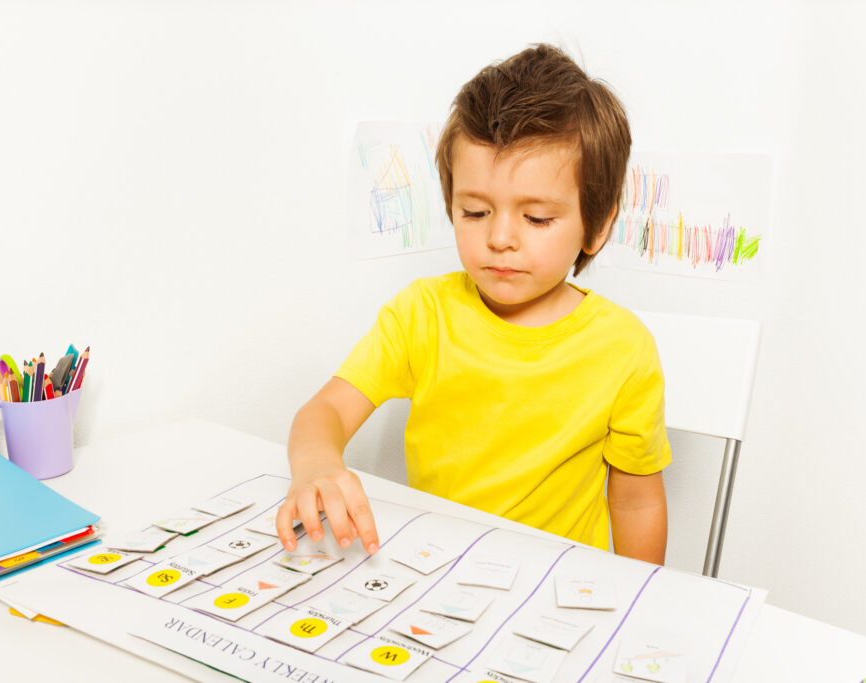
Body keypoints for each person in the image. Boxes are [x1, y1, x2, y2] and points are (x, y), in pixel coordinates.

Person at [276, 44, 671, 564]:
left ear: (596, 226)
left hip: (556, 589)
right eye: (476, 210)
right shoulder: (422, 314)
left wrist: (638, 601)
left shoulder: (623, 348)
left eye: (537, 219)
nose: (500, 238)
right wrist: (316, 465)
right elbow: (323, 411)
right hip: (435, 571)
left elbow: (637, 502)